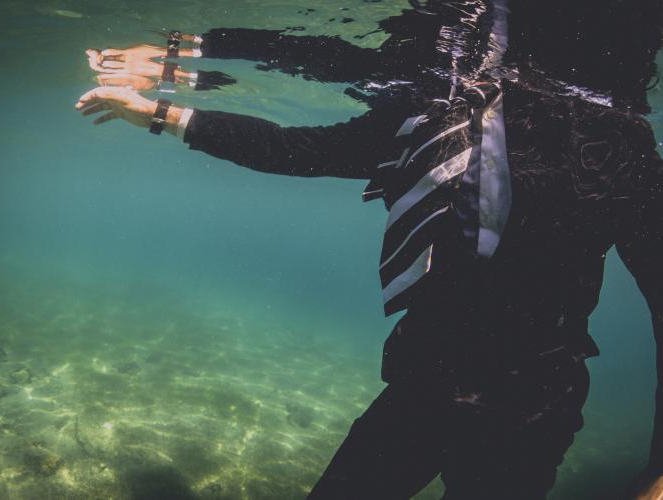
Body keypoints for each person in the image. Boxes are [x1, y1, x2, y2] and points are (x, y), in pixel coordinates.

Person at [74, 1, 663, 498]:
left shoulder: (614, 143)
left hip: (527, 409)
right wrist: (159, 111)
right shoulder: (430, 119)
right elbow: (293, 149)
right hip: (422, 385)